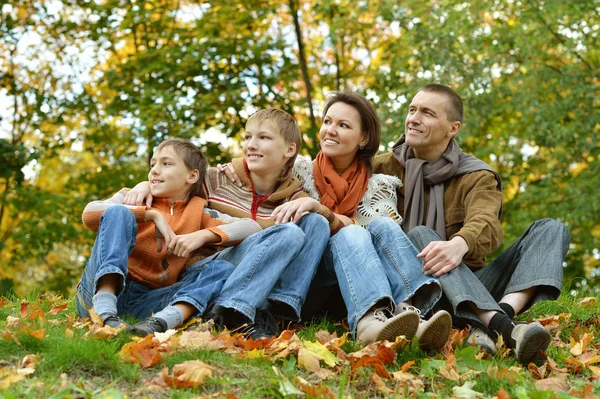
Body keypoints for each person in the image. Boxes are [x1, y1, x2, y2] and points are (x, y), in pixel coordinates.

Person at [221, 93, 452, 349]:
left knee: (382, 226)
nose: (330, 130)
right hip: (301, 281)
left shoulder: (379, 187)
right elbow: (256, 159)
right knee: (345, 231)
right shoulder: (296, 169)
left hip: (352, 283)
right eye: (328, 122)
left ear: (363, 138)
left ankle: (409, 311)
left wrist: (319, 209)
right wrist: (234, 167)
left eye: (343, 125)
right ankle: (368, 322)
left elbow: (369, 245)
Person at [372, 83, 570, 364]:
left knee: (552, 228)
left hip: (473, 285)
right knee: (421, 235)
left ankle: (491, 319)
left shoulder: (476, 175)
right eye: (412, 109)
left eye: (427, 113)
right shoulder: (382, 168)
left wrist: (460, 243)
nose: (413, 118)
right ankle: (505, 329)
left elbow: (487, 224)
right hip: (416, 293)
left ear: (453, 128)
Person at [124, 109, 338, 338]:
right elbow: (171, 187)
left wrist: (315, 206)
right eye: (247, 137)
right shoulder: (216, 178)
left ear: (289, 149)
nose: (251, 145)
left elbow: (331, 227)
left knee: (315, 222)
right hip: (206, 271)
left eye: (263, 137)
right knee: (288, 233)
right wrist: (143, 186)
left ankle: (274, 310)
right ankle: (228, 310)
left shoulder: (293, 195)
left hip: (256, 272)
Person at [77, 138, 305, 337]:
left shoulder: (200, 212)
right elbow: (89, 214)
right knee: (117, 212)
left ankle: (164, 320)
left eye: (166, 164)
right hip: (95, 291)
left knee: (220, 269)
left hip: (148, 301)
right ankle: (105, 305)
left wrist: (204, 235)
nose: (155, 170)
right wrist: (150, 214)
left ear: (192, 175)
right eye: (153, 164)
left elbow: (251, 227)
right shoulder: (132, 197)